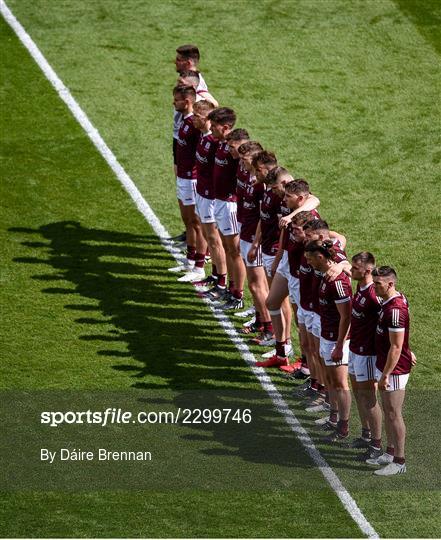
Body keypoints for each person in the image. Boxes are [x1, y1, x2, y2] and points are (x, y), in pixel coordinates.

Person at [258, 178, 320, 368]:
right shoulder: (290, 210)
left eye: (288, 196)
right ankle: (281, 352)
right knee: (271, 302)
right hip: (287, 262)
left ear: (300, 199)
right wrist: (278, 259)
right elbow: (285, 234)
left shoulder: (311, 218)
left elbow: (315, 201)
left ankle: (306, 364)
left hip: (300, 272)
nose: (284, 199)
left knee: (300, 318)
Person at [304, 239, 352, 442]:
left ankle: (343, 426)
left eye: (310, 259)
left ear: (321, 257)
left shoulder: (338, 282)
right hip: (327, 335)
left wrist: (340, 345)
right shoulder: (326, 274)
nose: (308, 263)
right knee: (331, 380)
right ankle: (333, 417)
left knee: (341, 383)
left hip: (336, 340)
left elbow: (346, 317)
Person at [368, 266, 413, 476]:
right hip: (386, 364)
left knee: (394, 413)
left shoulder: (395, 311)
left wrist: (386, 374)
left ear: (390, 284)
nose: (374, 286)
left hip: (393, 369)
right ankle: (389, 451)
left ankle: (399, 460)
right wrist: (408, 349)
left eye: (378, 283)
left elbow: (396, 347)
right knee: (387, 411)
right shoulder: (392, 301)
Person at [207, 109, 247, 310]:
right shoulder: (223, 144)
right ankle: (230, 289)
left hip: (230, 205)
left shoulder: (238, 152)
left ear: (225, 127)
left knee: (234, 251)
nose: (210, 128)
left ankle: (238, 295)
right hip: (220, 202)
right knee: (227, 247)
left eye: (214, 125)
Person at [234, 141, 273, 340]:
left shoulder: (261, 186)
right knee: (254, 284)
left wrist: (256, 242)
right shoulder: (248, 177)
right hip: (246, 232)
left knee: (258, 285)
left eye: (245, 158)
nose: (241, 161)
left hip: (254, 238)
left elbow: (262, 216)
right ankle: (260, 321)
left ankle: (269, 328)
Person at [168, 85, 207, 280]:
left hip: (192, 179)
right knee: (188, 221)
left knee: (196, 223)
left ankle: (199, 267)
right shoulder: (184, 120)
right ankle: (190, 261)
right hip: (183, 177)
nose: (173, 103)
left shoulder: (194, 124)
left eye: (176, 100)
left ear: (187, 102)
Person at [348, 252, 383, 453]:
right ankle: (366, 434)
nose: (351, 270)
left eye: (354, 268)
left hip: (366, 353)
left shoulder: (373, 296)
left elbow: (387, 323)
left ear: (367, 271)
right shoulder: (360, 286)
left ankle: (376, 444)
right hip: (355, 349)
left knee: (369, 398)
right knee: (359, 395)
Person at [191, 100, 227, 289]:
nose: (193, 118)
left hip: (211, 198)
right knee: (209, 238)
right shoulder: (204, 138)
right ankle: (215, 275)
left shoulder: (215, 143)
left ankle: (221, 280)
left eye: (197, 115)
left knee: (214, 239)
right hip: (202, 194)